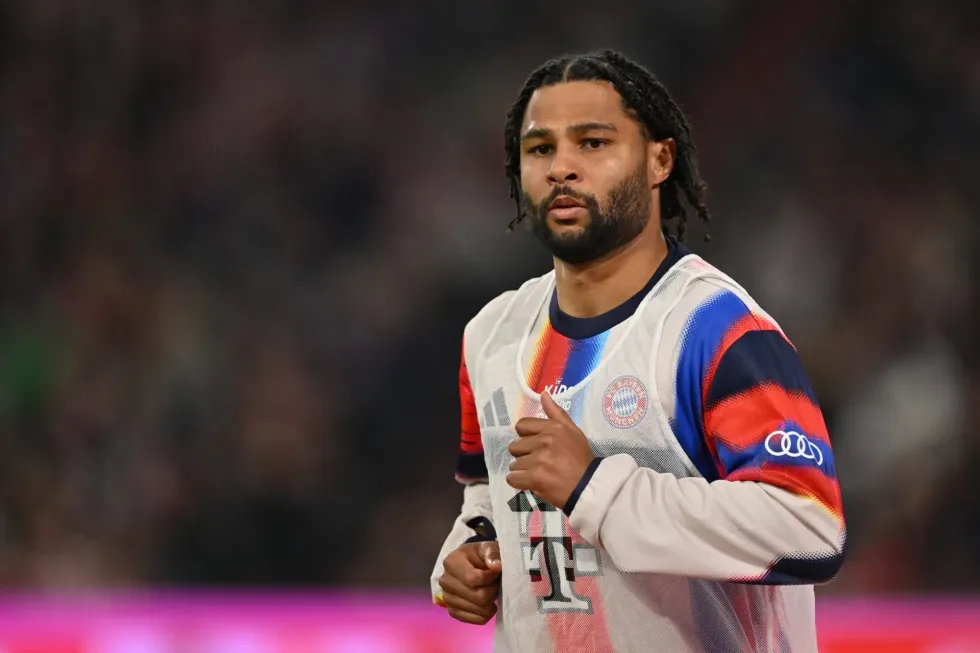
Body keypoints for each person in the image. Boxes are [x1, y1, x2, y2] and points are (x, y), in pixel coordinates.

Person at [430, 49, 845, 653]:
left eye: (593, 143)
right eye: (540, 148)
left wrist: (594, 488)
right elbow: (488, 490)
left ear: (659, 160)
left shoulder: (715, 329)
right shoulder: (490, 335)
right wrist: (474, 547)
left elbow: (809, 527)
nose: (561, 167)